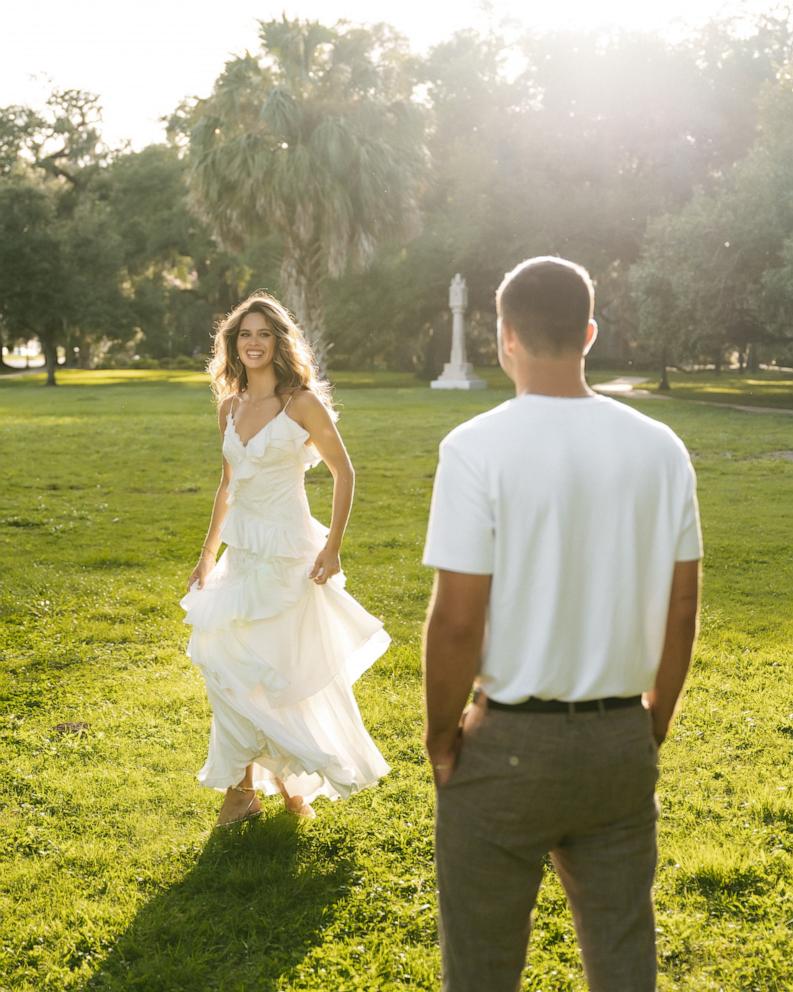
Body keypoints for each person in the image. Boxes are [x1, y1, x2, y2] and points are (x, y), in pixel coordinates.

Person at [422, 256, 702, 991]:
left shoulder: (475, 447)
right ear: (587, 332)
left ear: (503, 335)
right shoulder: (660, 448)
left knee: (481, 966)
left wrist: (440, 734)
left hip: (506, 744)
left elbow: (456, 620)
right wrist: (654, 721)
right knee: (621, 958)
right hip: (618, 742)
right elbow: (682, 607)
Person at [180, 292, 390, 827]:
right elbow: (228, 484)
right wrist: (207, 557)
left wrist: (333, 547)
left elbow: (344, 472)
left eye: (263, 334)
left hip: (291, 556)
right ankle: (241, 788)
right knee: (226, 669)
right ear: (233, 344)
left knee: (280, 674)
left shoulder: (301, 403)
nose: (253, 343)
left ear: (279, 343)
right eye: (244, 334)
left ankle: (283, 780)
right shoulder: (229, 406)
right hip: (242, 557)